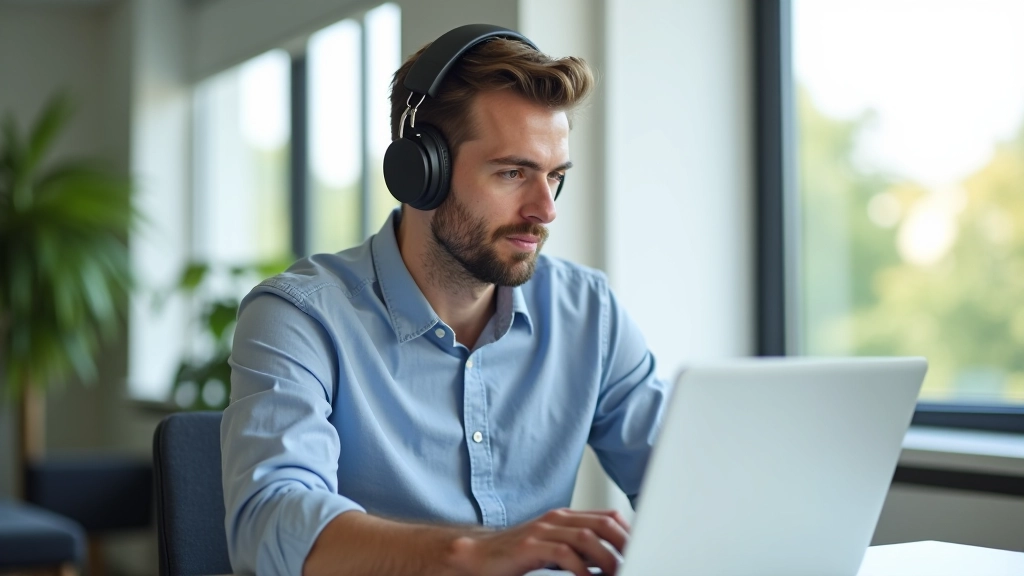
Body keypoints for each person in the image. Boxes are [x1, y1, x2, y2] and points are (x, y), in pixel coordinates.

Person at [221, 24, 670, 576]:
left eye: (553, 176)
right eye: (512, 173)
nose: (545, 209)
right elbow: (270, 526)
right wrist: (476, 553)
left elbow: (686, 487)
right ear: (420, 173)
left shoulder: (588, 313)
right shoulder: (300, 318)